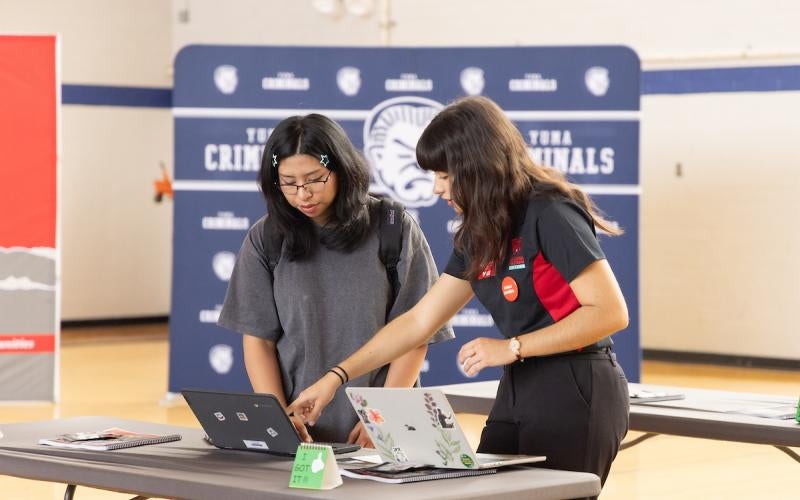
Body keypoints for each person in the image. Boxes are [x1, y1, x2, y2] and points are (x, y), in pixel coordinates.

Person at [288, 96, 630, 489]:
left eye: (445, 176)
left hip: (578, 384)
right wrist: (335, 378)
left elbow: (609, 312)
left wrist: (513, 347)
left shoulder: (550, 212)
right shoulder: (480, 230)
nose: (436, 188)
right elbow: (419, 321)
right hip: (520, 386)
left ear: (478, 166)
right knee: (475, 493)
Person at [218, 113, 453, 445]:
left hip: (384, 422)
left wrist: (384, 415)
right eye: (288, 182)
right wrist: (280, 418)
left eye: (315, 179)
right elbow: (258, 340)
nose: (303, 194)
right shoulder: (265, 238)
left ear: (342, 169)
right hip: (302, 429)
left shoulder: (392, 227)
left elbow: (416, 332)